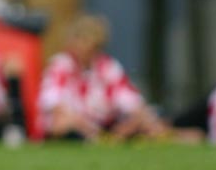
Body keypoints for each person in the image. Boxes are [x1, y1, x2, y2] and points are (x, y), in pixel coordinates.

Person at [38, 15, 166, 142]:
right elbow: (53, 104)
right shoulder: (61, 65)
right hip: (78, 125)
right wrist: (84, 126)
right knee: (60, 124)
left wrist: (133, 122)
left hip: (104, 125)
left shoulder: (108, 67)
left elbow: (131, 102)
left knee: (148, 122)